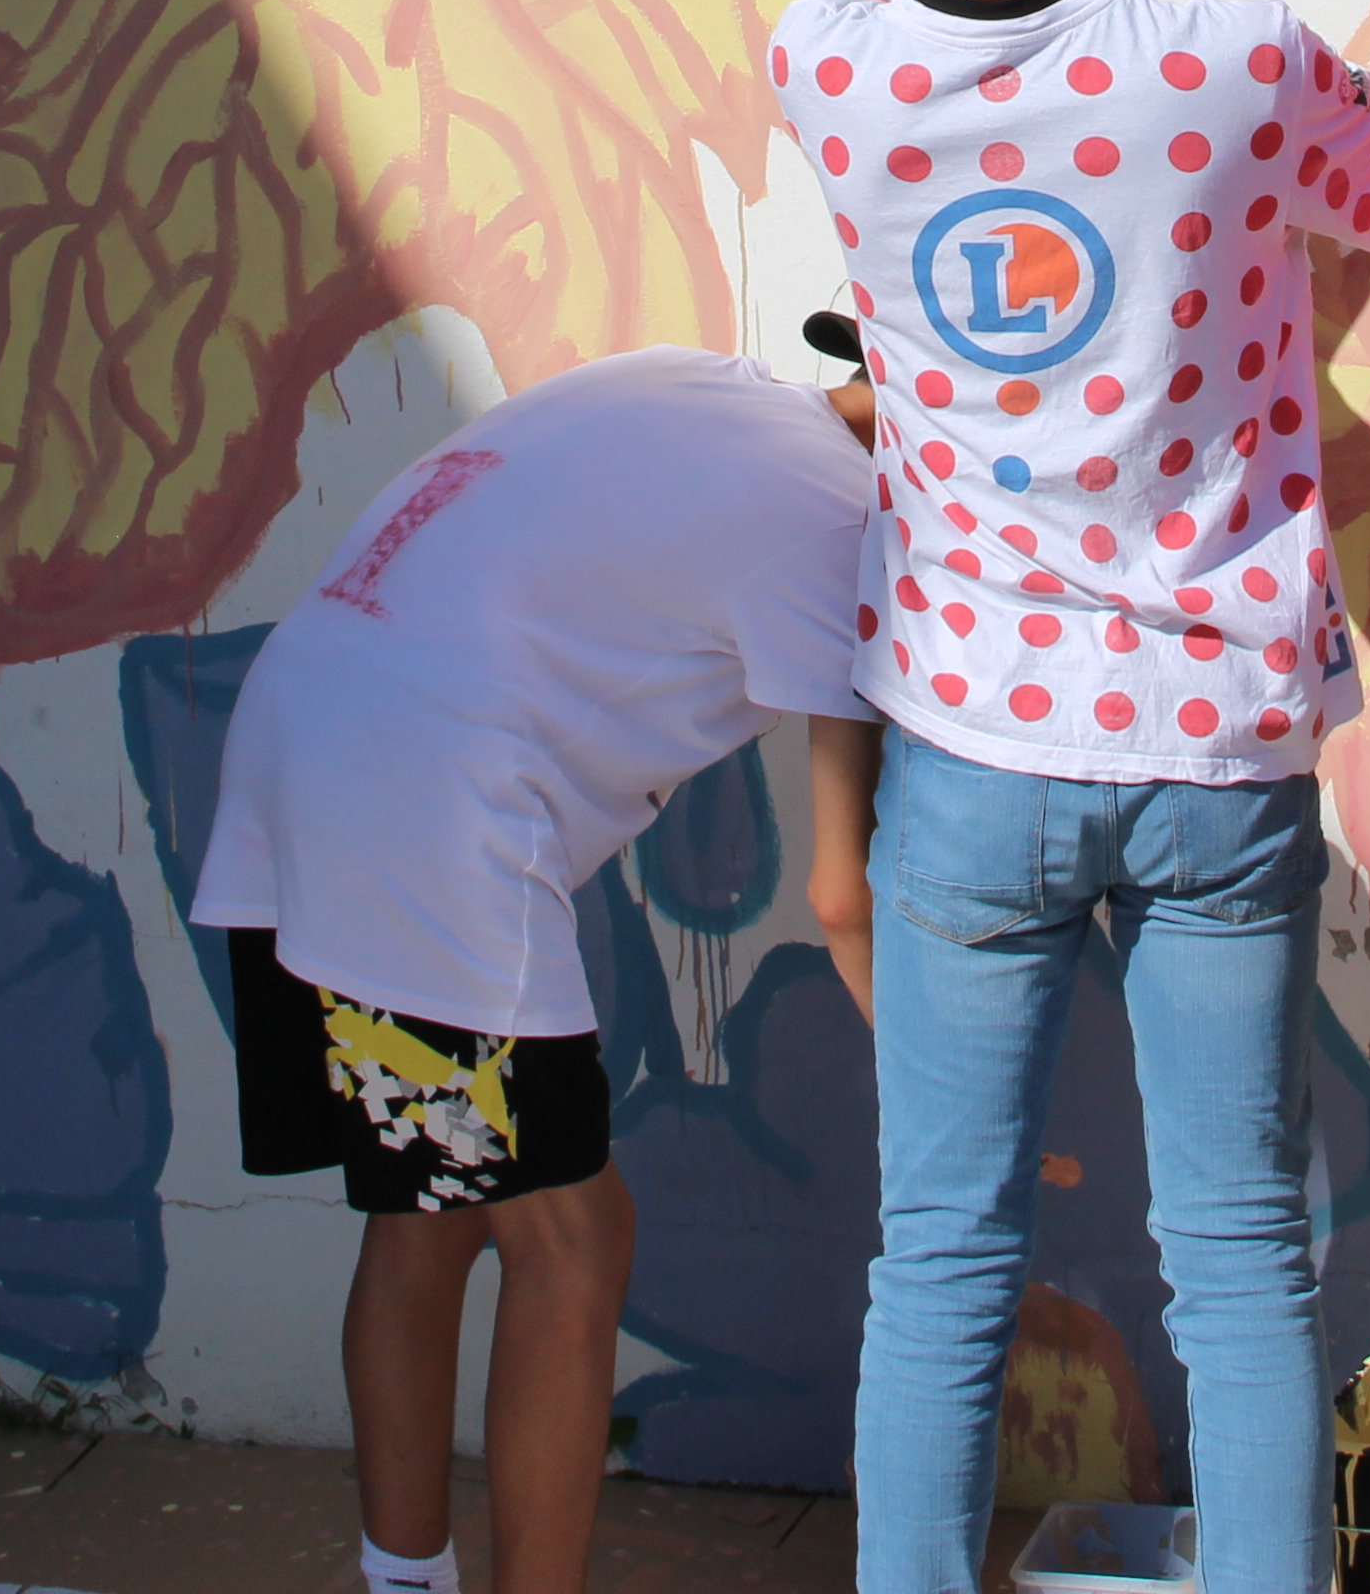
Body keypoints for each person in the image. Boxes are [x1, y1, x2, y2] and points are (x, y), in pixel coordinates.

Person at [777, 0, 1370, 1594]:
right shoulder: (1228, 64)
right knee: (1244, 1256)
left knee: (939, 1256)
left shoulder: (831, 67)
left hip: (974, 749)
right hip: (1212, 740)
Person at [189, 343, 892, 1594]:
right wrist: (958, 1091)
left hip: (303, 741)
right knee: (573, 1238)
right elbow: (850, 889)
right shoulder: (846, 523)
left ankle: (400, 1581)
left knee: (427, 1216)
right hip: (428, 809)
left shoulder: (693, 378)